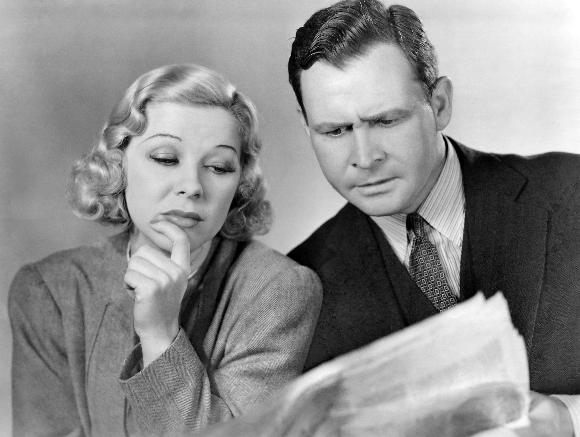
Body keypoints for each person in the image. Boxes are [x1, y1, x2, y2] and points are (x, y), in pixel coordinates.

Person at [286, 1, 580, 435]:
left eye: (386, 121)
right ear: (306, 126)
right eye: (334, 131)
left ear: (439, 104)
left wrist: (569, 418)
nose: (364, 158)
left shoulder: (572, 192)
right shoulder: (296, 289)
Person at [9, 64, 322, 436]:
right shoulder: (49, 290)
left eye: (218, 167)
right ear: (117, 165)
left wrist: (160, 335)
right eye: (165, 158)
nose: (192, 185)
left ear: (240, 184)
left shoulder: (279, 290)